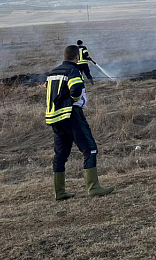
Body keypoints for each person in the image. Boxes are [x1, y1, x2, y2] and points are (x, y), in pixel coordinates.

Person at [45, 44, 114, 199]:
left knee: (61, 154)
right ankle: (93, 187)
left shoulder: (53, 72)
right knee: (90, 149)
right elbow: (76, 89)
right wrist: (74, 101)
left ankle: (60, 192)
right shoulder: (73, 70)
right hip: (71, 115)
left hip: (54, 118)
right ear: (77, 57)